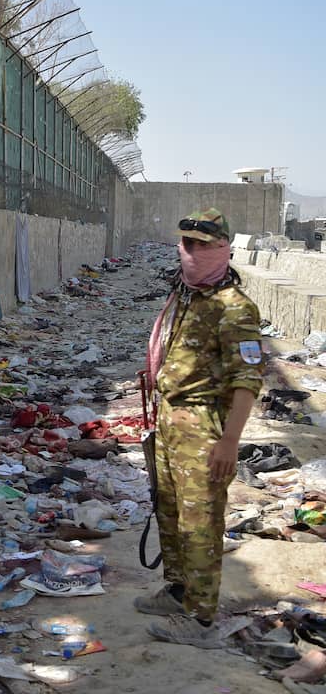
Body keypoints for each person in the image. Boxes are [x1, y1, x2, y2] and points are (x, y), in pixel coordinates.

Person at [135, 208, 264, 647]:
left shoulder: (235, 308)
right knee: (170, 513)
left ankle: (201, 617)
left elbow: (247, 379)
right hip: (171, 421)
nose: (192, 252)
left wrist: (230, 441)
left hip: (204, 427)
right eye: (187, 243)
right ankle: (177, 590)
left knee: (200, 522)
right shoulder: (189, 295)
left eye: (202, 245)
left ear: (223, 248)